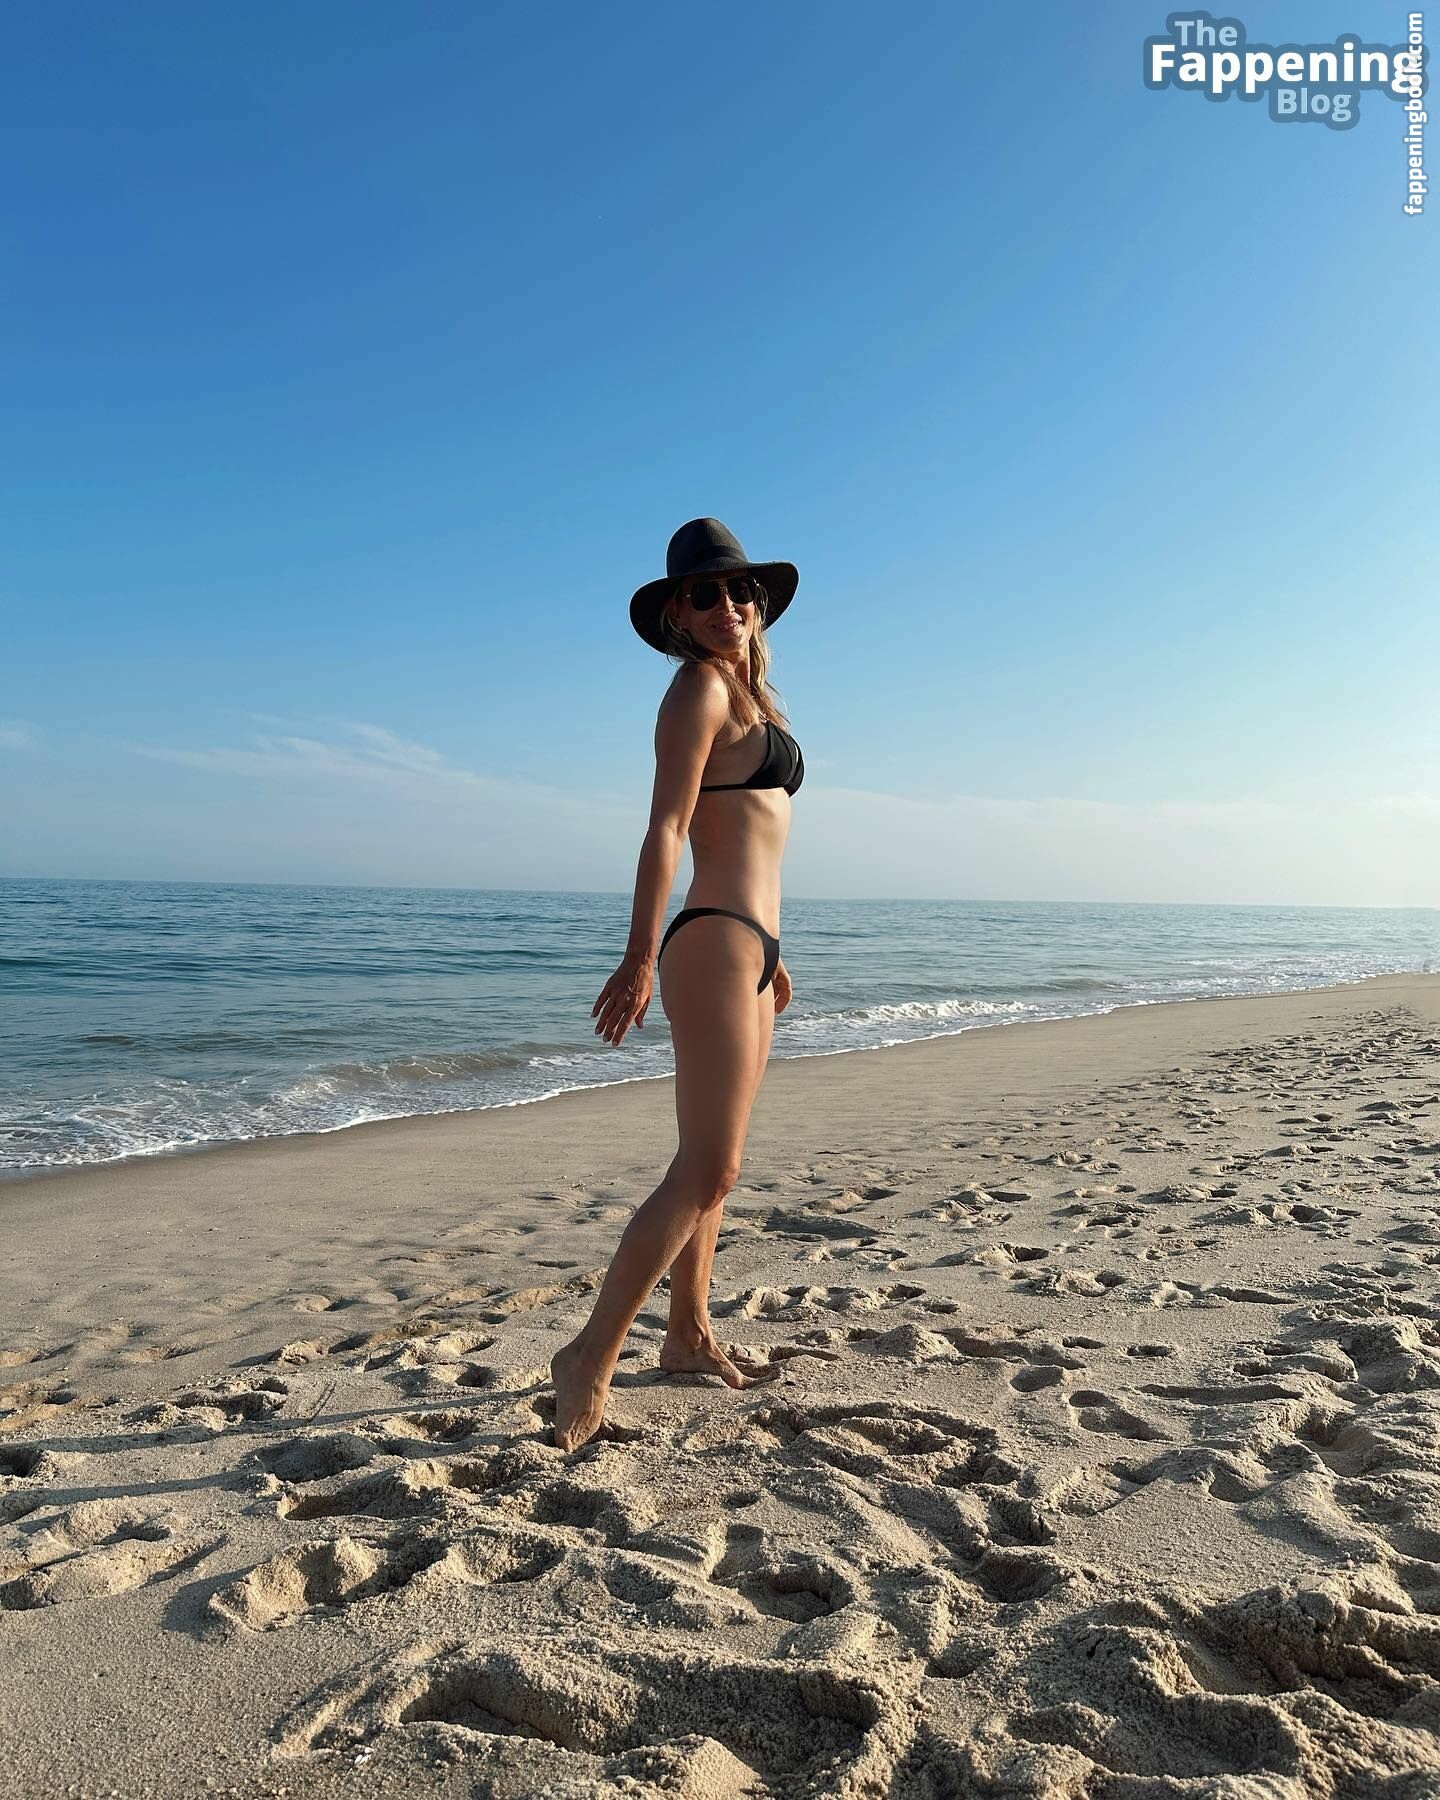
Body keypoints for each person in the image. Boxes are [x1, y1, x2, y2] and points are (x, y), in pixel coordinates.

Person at [549, 518, 806, 1452]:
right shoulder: (697, 689)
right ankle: (589, 1356)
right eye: (706, 594)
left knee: (713, 1161)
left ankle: (689, 1335)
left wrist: (776, 952)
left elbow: (757, 835)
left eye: (740, 590)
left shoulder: (752, 695)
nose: (727, 605)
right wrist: (639, 955)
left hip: (753, 946)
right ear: (678, 616)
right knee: (708, 1169)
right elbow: (666, 828)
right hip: (712, 940)